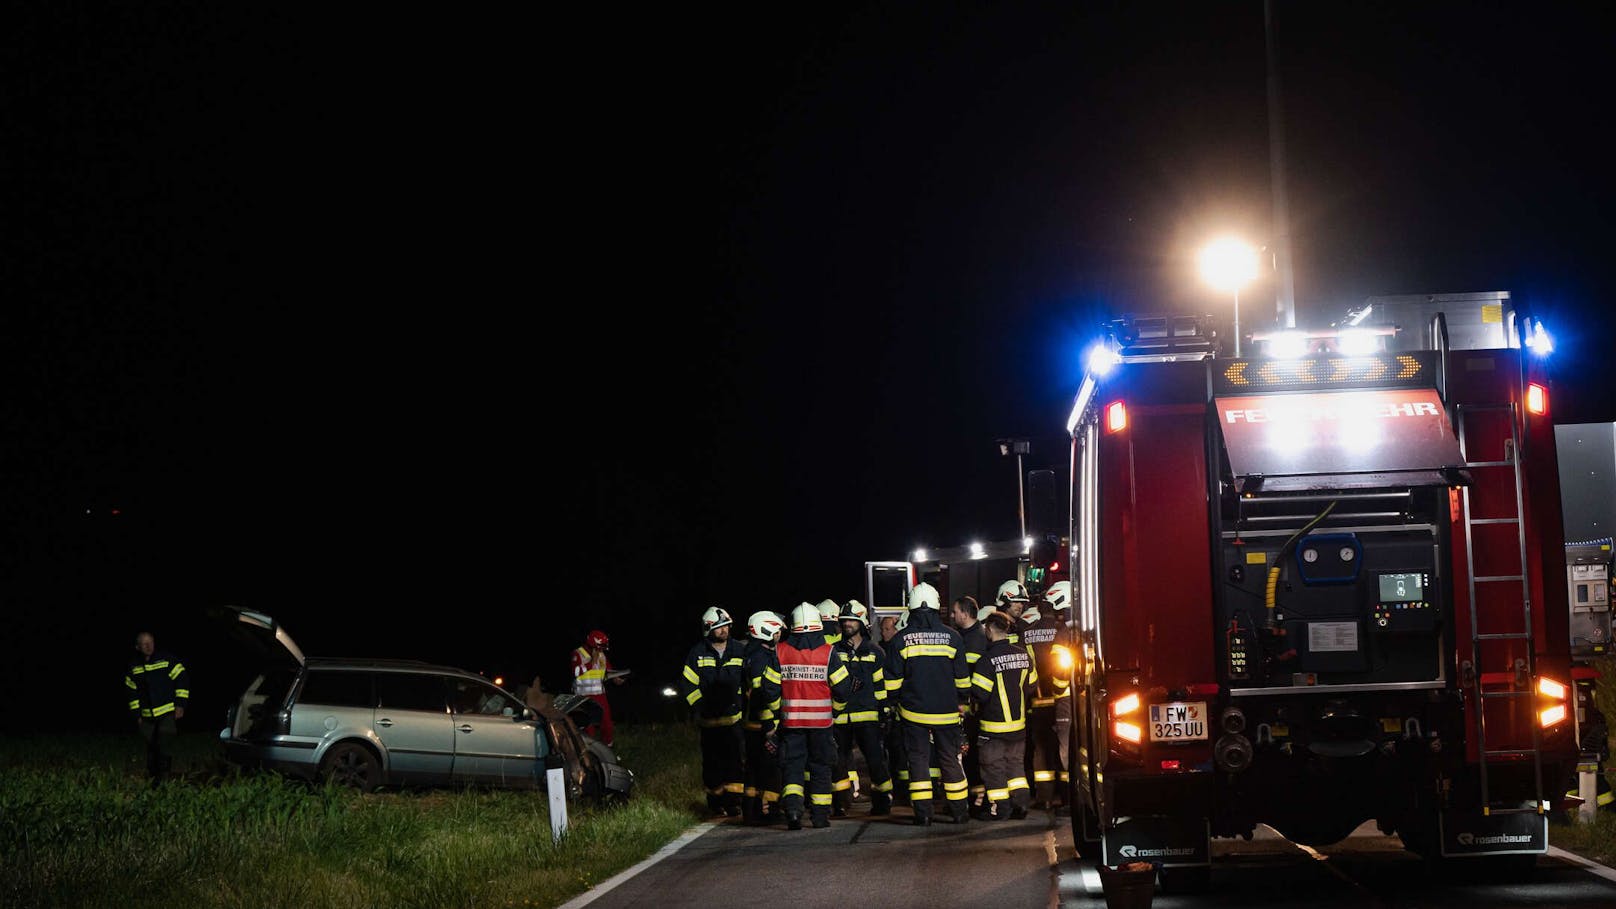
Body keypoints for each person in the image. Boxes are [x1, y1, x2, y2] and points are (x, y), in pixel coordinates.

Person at [762, 602, 852, 829]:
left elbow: (769, 688)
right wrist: (835, 711)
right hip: (821, 724)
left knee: (792, 768)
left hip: (791, 723)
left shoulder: (780, 651)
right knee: (821, 768)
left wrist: (778, 713)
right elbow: (843, 688)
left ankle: (793, 812)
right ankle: (820, 817)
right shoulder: (828, 653)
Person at [888, 582, 971, 825]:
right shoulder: (953, 638)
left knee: (919, 761)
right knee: (949, 758)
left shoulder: (900, 640)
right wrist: (962, 703)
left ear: (911, 609)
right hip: (947, 713)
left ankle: (923, 814)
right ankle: (959, 811)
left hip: (914, 714)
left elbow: (892, 683)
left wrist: (895, 704)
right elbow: (963, 681)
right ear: (936, 608)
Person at [679, 607, 748, 816]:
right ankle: (716, 802)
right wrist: (700, 706)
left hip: (733, 720)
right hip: (709, 722)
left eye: (726, 626)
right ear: (708, 629)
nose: (724, 630)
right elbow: (688, 683)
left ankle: (733, 802)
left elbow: (748, 681)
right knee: (711, 766)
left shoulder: (739, 650)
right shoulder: (697, 652)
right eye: (719, 627)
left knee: (735, 763)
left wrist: (743, 705)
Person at [970, 608, 1036, 820]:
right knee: (1015, 765)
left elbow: (979, 694)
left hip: (993, 727)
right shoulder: (1023, 655)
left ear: (989, 630)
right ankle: (1021, 804)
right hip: (1018, 725)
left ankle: (1000, 810)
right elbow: (1032, 686)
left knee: (993, 768)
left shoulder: (986, 660)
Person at [832, 600, 893, 816]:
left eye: (852, 620)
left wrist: (884, 712)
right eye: (845, 620)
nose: (848, 623)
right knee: (838, 763)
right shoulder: (833, 652)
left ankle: (882, 801)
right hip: (840, 718)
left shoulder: (875, 652)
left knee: (876, 761)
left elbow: (881, 687)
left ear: (862, 622)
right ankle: (839, 804)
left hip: (868, 718)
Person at [1020, 591, 1068, 810]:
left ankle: (1044, 797)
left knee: (1041, 749)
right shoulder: (1062, 632)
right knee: (1065, 746)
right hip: (1064, 695)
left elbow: (1025, 668)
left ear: (1039, 609)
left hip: (1038, 698)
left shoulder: (1027, 634)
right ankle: (1067, 795)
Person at [126, 631, 189, 784]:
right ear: (137, 647)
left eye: (151, 642)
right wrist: (137, 716)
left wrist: (180, 704)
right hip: (147, 717)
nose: (148, 646)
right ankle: (153, 780)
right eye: (144, 643)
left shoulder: (167, 660)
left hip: (167, 713)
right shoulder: (134, 667)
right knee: (152, 749)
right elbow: (131, 692)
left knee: (164, 746)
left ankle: (164, 780)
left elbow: (182, 679)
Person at [742, 610, 787, 826]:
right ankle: (770, 811)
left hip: (752, 722)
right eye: (777, 630)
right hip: (763, 723)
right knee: (770, 770)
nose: (779, 634)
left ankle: (750, 811)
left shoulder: (752, 653)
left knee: (753, 770)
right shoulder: (761, 658)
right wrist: (770, 727)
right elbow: (763, 694)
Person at [950, 595, 987, 808]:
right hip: (966, 705)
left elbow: (968, 677)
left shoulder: (975, 639)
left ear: (965, 613)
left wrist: (964, 703)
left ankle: (976, 798)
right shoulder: (965, 636)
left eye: (955, 612)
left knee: (970, 753)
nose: (953, 615)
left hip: (971, 708)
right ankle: (972, 796)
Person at [1043, 580, 1077, 801]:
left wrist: (1057, 691)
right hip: (1083, 697)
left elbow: (1059, 670)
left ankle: (1071, 794)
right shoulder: (1085, 626)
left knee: (1066, 749)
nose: (1056, 614)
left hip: (1066, 699)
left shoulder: (1063, 633)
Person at [571, 630, 624, 745]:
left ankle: (608, 748)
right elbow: (576, 672)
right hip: (584, 696)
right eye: (601, 646)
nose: (602, 649)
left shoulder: (601, 654)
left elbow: (606, 669)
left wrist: (615, 678)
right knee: (588, 727)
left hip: (600, 694)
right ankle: (589, 751)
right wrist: (592, 661)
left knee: (607, 724)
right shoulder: (578, 653)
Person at [996, 579, 1030, 645]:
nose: (1020, 606)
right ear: (1004, 602)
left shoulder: (1025, 626)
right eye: (1016, 602)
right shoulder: (996, 627)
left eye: (1022, 602)